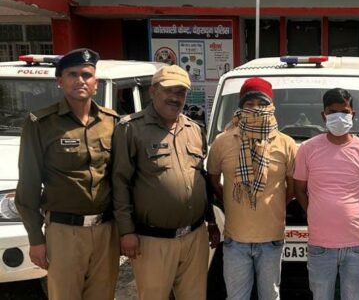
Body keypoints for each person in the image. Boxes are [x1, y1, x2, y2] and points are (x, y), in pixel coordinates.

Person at [15, 48, 120, 300]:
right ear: (59, 81)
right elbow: (28, 186)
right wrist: (36, 239)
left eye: (86, 75)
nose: (80, 80)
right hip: (64, 232)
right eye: (72, 74)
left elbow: (120, 178)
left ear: (96, 83)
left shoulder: (112, 122)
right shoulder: (41, 124)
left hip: (106, 230)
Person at [112, 65, 219, 300]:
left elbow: (201, 179)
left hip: (194, 237)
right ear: (153, 91)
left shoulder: (194, 129)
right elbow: (120, 183)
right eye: (168, 90)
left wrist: (211, 221)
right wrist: (126, 231)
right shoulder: (131, 129)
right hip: (153, 241)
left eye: (181, 92)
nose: (175, 97)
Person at [207, 77, 297, 300]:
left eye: (262, 103)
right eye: (250, 104)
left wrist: (273, 204)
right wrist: (231, 201)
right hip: (235, 240)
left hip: (272, 240)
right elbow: (213, 180)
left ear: (271, 106)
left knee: (270, 297)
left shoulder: (286, 143)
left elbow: (293, 188)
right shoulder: (222, 142)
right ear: (241, 106)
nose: (256, 109)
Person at [294, 87, 359, 300]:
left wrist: (349, 212)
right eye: (332, 112)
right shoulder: (307, 149)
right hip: (320, 245)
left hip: (356, 245)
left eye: (344, 111)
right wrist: (317, 211)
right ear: (323, 115)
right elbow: (299, 190)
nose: (338, 117)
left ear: (353, 114)